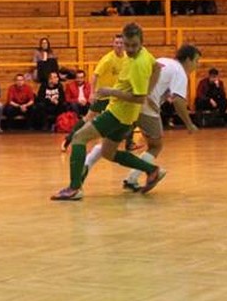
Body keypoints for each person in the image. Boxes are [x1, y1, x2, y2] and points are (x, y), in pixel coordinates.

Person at [51, 22, 165, 201]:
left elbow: (139, 98)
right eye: (127, 45)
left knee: (79, 137)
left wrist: (110, 91)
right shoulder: (144, 53)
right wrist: (149, 91)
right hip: (127, 116)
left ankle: (74, 188)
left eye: (134, 45)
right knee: (108, 152)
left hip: (117, 113)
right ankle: (152, 170)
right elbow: (157, 67)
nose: (130, 49)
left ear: (141, 43)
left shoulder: (138, 64)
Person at [120, 44, 201, 192]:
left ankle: (129, 177)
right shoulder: (179, 72)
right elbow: (178, 101)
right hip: (146, 106)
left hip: (131, 101)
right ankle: (135, 177)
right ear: (188, 60)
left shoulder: (164, 61)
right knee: (155, 146)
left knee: (111, 143)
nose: (198, 65)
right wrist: (189, 124)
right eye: (196, 61)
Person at [62, 33, 127, 152]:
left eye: (121, 43)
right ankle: (69, 139)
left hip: (115, 95)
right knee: (88, 118)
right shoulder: (107, 59)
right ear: (113, 44)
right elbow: (95, 76)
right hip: (103, 95)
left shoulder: (126, 58)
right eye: (116, 43)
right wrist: (92, 93)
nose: (119, 45)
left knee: (125, 117)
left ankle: (126, 143)